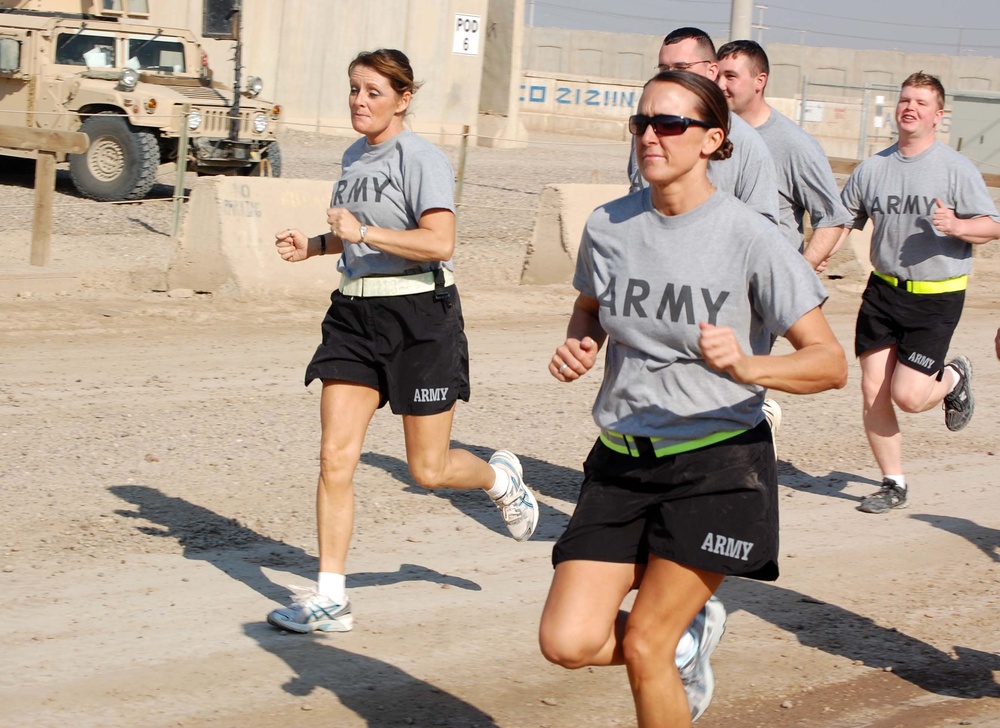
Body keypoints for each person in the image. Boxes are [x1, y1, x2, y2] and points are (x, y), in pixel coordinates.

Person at [539, 71, 847, 726]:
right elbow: (589, 307)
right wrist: (580, 342)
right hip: (619, 461)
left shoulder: (751, 237)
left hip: (717, 466)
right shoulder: (610, 225)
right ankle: (688, 633)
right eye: (642, 122)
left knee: (646, 643)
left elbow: (829, 364)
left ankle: (669, 633)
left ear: (713, 138)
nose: (651, 135)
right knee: (567, 642)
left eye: (670, 124)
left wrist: (748, 364)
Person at [267, 49, 539, 633]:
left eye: (373, 91)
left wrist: (360, 229)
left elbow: (439, 242)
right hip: (354, 317)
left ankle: (500, 479)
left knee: (428, 469)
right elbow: (361, 239)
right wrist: (316, 246)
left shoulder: (421, 157)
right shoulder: (352, 156)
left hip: (420, 316)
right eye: (354, 89)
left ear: (402, 98)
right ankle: (331, 598)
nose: (360, 101)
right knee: (335, 458)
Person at [841, 71, 1000, 515]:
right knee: (873, 390)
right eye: (905, 100)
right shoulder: (872, 169)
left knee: (909, 396)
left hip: (936, 296)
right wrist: (810, 262)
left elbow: (993, 225)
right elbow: (842, 221)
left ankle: (953, 377)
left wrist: (960, 227)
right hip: (883, 291)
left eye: (921, 103)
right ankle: (893, 483)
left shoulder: (956, 169)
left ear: (938, 115)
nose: (910, 107)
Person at [716, 40, 852, 271]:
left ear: (760, 81)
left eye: (730, 76)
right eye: (717, 75)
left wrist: (800, 273)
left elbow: (832, 219)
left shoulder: (794, 144)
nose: (720, 84)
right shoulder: (710, 134)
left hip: (763, 290)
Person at [627, 27, 779, 226]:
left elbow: (762, 230)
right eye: (664, 69)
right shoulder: (646, 130)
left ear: (712, 71)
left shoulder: (747, 143)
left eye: (682, 67)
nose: (671, 77)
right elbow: (637, 195)